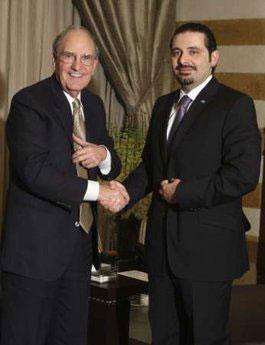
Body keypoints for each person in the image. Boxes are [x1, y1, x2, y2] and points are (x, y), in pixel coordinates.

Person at [101, 23, 261, 345]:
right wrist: (125, 192)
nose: (183, 60)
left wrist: (183, 192)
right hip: (161, 250)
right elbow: (151, 165)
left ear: (213, 58)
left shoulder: (235, 105)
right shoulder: (163, 105)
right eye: (176, 52)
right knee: (164, 336)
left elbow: (243, 174)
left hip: (207, 252)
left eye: (193, 52)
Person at [0, 25, 127, 345]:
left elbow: (113, 165)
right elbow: (34, 172)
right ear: (54, 58)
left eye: (86, 58)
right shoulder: (29, 102)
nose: (77, 66)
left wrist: (104, 155)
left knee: (71, 337)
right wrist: (101, 192)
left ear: (95, 64)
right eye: (69, 56)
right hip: (34, 254)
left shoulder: (95, 106)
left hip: (79, 249)